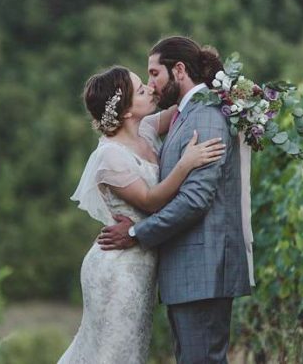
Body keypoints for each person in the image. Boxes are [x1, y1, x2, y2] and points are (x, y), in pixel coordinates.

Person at [98, 36, 254, 364]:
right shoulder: (186, 114)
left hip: (204, 271)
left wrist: (135, 234)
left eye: (154, 74)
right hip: (189, 273)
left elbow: (195, 201)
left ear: (179, 70)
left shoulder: (205, 116)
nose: (151, 84)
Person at [58, 65, 226, 364]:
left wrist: (222, 84)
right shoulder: (110, 155)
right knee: (113, 352)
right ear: (124, 112)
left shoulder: (146, 129)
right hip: (118, 265)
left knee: (130, 350)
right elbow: (149, 201)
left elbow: (182, 104)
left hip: (142, 259)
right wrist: (186, 163)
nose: (149, 88)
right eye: (140, 89)